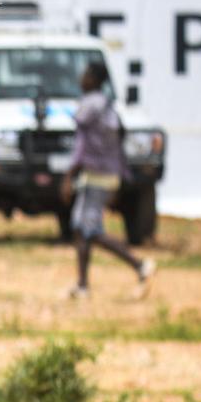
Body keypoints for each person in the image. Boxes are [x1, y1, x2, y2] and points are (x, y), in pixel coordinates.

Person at [61, 61, 156, 300]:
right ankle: (82, 285)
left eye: (85, 74)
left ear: (93, 79)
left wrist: (69, 175)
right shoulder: (107, 106)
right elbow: (120, 137)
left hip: (94, 175)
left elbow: (81, 147)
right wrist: (119, 173)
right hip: (108, 174)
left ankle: (140, 265)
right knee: (80, 229)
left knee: (89, 230)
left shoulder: (88, 107)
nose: (81, 78)